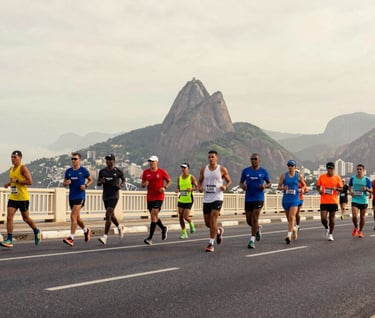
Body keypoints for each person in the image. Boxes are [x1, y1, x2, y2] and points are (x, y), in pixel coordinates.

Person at [1, 150, 41, 248]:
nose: (13, 159)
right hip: (13, 197)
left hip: (23, 198)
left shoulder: (23, 168)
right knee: (9, 217)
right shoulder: (11, 169)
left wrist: (17, 181)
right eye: (11, 157)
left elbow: (30, 181)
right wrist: (8, 184)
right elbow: (13, 181)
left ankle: (36, 231)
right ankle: (9, 240)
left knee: (26, 218)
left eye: (15, 157)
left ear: (20, 158)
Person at [198, 150, 232, 253]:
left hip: (217, 197)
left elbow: (229, 181)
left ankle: (211, 244)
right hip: (207, 198)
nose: (210, 159)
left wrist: (225, 186)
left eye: (212, 157)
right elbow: (200, 181)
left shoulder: (221, 169)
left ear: (216, 158)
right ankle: (218, 231)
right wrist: (200, 187)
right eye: (209, 157)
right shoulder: (204, 169)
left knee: (213, 220)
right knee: (208, 223)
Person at [239, 153, 271, 249]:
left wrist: (264, 186)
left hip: (259, 198)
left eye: (255, 159)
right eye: (252, 159)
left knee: (255, 218)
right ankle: (257, 229)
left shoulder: (263, 171)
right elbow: (241, 182)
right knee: (249, 221)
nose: (253, 160)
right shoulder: (246, 171)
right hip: (248, 198)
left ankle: (252, 240)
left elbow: (269, 183)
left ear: (259, 160)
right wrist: (243, 186)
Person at [62, 152, 93, 247]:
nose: (73, 160)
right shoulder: (68, 171)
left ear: (79, 160)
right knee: (77, 218)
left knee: (72, 216)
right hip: (71, 196)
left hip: (80, 196)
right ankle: (86, 230)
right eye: (72, 159)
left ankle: (71, 238)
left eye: (75, 159)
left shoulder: (83, 171)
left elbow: (90, 180)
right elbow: (64, 183)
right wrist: (66, 182)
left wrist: (86, 185)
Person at [142, 155, 172, 245]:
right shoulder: (145, 172)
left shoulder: (162, 172)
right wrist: (145, 184)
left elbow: (170, 181)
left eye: (153, 161)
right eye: (150, 161)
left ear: (156, 162)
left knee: (153, 214)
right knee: (154, 216)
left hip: (159, 196)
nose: (151, 163)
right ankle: (163, 228)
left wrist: (164, 187)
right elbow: (142, 184)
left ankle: (150, 238)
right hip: (150, 197)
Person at [97, 154, 126, 245]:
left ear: (114, 161)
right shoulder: (102, 171)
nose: (108, 161)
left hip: (114, 196)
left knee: (108, 214)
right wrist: (101, 182)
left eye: (110, 160)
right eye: (107, 160)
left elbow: (124, 179)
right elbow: (98, 183)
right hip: (106, 196)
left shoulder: (118, 171)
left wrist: (120, 185)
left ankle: (105, 237)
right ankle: (119, 227)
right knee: (112, 215)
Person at [278, 160, 307, 244]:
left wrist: (302, 189)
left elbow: (305, 185)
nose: (290, 167)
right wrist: (283, 188)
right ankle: (294, 229)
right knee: (289, 219)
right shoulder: (284, 176)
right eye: (288, 165)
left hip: (295, 199)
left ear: (295, 166)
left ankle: (288, 236)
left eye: (291, 165)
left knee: (292, 217)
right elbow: (279, 187)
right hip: (286, 199)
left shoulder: (298, 176)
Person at [316, 162, 343, 241]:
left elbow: (342, 189)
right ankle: (326, 227)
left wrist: (336, 189)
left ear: (334, 169)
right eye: (328, 168)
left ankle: (331, 234)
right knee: (323, 218)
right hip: (324, 200)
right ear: (326, 168)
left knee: (332, 218)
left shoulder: (337, 178)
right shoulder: (322, 177)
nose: (330, 170)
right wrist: (319, 191)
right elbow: (317, 186)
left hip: (333, 201)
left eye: (331, 168)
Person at [349, 164, 373, 238]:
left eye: (360, 169)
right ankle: (356, 227)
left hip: (363, 200)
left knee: (362, 217)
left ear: (363, 170)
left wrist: (366, 189)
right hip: (355, 199)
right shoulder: (352, 178)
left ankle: (360, 231)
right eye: (358, 169)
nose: (359, 170)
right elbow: (349, 186)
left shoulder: (367, 179)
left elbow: (371, 190)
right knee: (354, 216)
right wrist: (351, 191)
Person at [175, 162, 198, 239]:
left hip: (189, 199)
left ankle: (191, 223)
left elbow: (197, 187)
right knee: (180, 217)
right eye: (182, 168)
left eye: (185, 168)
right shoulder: (179, 178)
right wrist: (177, 190)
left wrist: (192, 189)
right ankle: (184, 233)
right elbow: (178, 187)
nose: (183, 169)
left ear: (188, 169)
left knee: (186, 216)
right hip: (181, 199)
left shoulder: (191, 177)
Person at [294, 167, 308, 237]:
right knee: (293, 213)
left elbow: (306, 189)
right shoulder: (292, 179)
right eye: (295, 172)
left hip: (300, 198)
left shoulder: (301, 180)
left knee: (297, 213)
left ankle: (297, 225)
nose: (296, 173)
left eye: (297, 172)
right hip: (293, 198)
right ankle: (294, 225)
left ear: (299, 173)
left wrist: (302, 190)